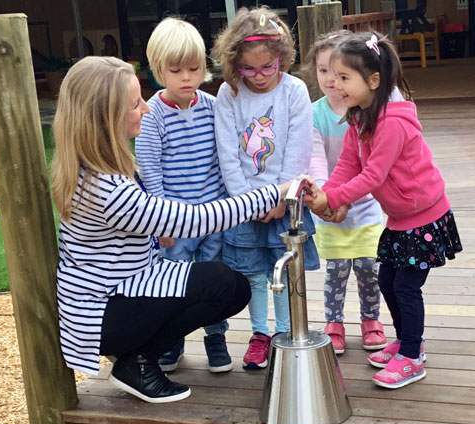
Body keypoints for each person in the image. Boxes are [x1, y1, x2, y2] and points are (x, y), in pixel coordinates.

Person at [51, 55, 311, 403]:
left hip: (122, 286)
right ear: (106, 118)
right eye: (134, 104)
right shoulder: (105, 190)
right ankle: (137, 362)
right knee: (223, 285)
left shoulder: (96, 166)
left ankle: (138, 357)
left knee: (232, 286)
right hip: (103, 312)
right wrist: (273, 193)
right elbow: (193, 220)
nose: (146, 108)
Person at [305, 32, 462, 389]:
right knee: (389, 280)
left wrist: (333, 200)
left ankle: (411, 357)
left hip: (424, 217)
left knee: (406, 287)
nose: (335, 83)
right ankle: (408, 342)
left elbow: (373, 175)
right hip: (400, 217)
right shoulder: (359, 117)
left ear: (373, 81)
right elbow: (347, 163)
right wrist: (329, 195)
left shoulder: (390, 123)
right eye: (331, 75)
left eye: (345, 78)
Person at [211, 6, 319, 370]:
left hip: (284, 204)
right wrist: (248, 203)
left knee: (285, 270)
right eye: (248, 69)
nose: (257, 76)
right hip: (243, 206)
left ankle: (285, 332)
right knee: (254, 274)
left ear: (282, 58)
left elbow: (298, 150)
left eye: (266, 67)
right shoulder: (230, 94)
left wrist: (279, 199)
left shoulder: (295, 91)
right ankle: (259, 333)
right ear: (234, 63)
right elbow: (228, 153)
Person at [135, 17, 232, 374]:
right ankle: (172, 339)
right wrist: (161, 220)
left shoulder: (212, 106)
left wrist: (225, 208)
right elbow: (150, 170)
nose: (187, 78)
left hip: (214, 216)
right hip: (174, 220)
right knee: (174, 281)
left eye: (194, 68)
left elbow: (223, 159)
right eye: (176, 70)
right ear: (159, 70)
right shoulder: (151, 115)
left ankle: (216, 336)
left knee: (213, 278)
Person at [304, 30, 387, 355]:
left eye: (339, 73)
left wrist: (342, 198)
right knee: (336, 269)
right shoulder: (314, 113)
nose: (330, 80)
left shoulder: (368, 109)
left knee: (369, 266)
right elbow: (314, 158)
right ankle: (334, 322)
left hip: (365, 202)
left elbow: (370, 167)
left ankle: (371, 320)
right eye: (323, 71)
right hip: (330, 202)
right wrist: (328, 198)